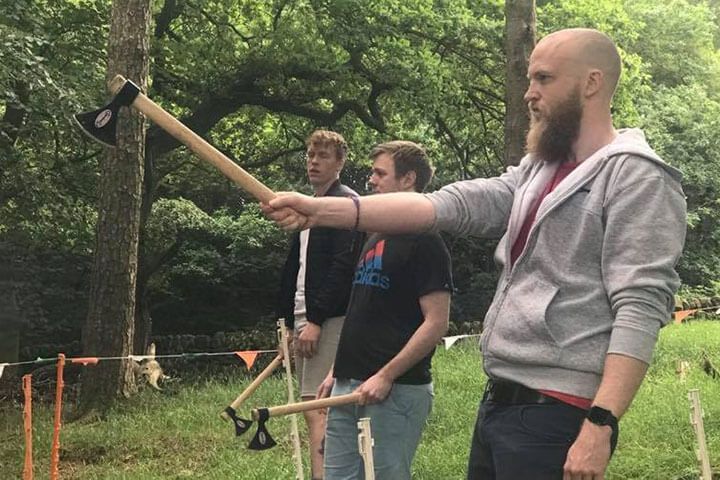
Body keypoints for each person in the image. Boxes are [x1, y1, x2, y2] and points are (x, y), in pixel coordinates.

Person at [264, 28, 687, 480]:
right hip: (500, 402)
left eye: (543, 79)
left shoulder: (637, 177)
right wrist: (321, 210)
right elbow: (445, 206)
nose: (529, 93)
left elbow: (639, 308)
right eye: (529, 79)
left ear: (591, 83)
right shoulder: (537, 170)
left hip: (560, 410)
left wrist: (600, 424)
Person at [316, 141, 453, 480]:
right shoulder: (373, 235)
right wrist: (337, 370)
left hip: (395, 390)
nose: (371, 180)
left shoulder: (426, 240)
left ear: (408, 179)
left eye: (380, 173)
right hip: (348, 384)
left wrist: (387, 375)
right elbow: (362, 308)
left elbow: (436, 323)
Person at [276, 130, 362, 480]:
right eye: (310, 155)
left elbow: (343, 269)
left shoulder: (344, 206)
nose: (313, 161)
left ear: (340, 163)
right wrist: (287, 320)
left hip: (330, 318)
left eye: (322, 156)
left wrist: (316, 319)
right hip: (304, 316)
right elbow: (297, 269)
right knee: (313, 403)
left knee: (319, 406)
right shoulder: (309, 206)